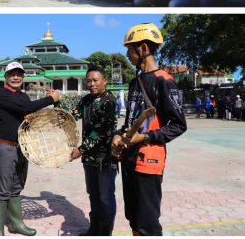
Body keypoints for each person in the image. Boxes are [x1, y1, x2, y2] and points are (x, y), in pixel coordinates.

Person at [112, 23, 187, 236]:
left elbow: (179, 126)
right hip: (129, 159)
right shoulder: (136, 82)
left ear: (143, 48)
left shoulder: (164, 81)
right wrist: (119, 135)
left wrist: (144, 137)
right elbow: (132, 120)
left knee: (148, 222)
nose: (127, 54)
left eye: (130, 49)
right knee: (133, 217)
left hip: (149, 161)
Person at [0, 61, 60, 236]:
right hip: (4, 146)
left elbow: (27, 112)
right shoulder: (2, 94)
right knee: (3, 190)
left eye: (19, 75)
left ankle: (16, 224)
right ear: (6, 77)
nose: (16, 77)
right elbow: (26, 108)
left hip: (22, 146)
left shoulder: (23, 96)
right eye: (12, 74)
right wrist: (51, 99)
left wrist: (30, 116)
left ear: (22, 77)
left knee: (16, 187)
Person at [67, 66, 118, 236]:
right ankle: (94, 229)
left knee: (105, 197)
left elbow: (100, 133)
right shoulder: (86, 100)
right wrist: (55, 103)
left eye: (95, 80)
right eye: (88, 81)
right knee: (93, 194)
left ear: (104, 81)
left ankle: (105, 232)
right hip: (89, 159)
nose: (91, 84)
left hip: (105, 159)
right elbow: (72, 115)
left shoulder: (109, 101)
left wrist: (80, 150)